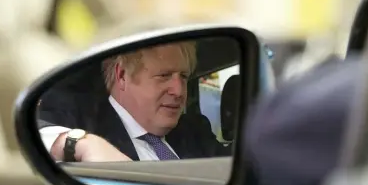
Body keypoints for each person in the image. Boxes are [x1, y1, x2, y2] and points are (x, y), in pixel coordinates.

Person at [38, 41, 231, 162]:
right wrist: (83, 145)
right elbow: (36, 131)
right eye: (164, 76)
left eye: (183, 77)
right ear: (122, 75)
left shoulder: (194, 130)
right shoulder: (83, 117)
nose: (179, 91)